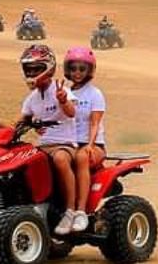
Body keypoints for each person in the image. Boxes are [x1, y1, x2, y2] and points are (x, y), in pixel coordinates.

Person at [16, 44, 79, 235]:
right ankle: (36, 204)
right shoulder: (31, 99)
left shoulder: (63, 91)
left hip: (65, 144)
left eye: (37, 68)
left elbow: (71, 112)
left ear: (49, 68)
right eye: (29, 69)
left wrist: (62, 100)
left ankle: (70, 211)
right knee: (22, 162)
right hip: (42, 147)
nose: (32, 72)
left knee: (60, 160)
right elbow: (19, 122)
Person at [64, 46, 106, 233]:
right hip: (70, 143)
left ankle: (80, 211)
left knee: (81, 158)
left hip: (94, 144)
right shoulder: (64, 92)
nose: (77, 73)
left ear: (89, 70)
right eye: (73, 69)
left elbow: (95, 123)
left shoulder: (94, 94)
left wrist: (90, 144)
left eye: (82, 69)